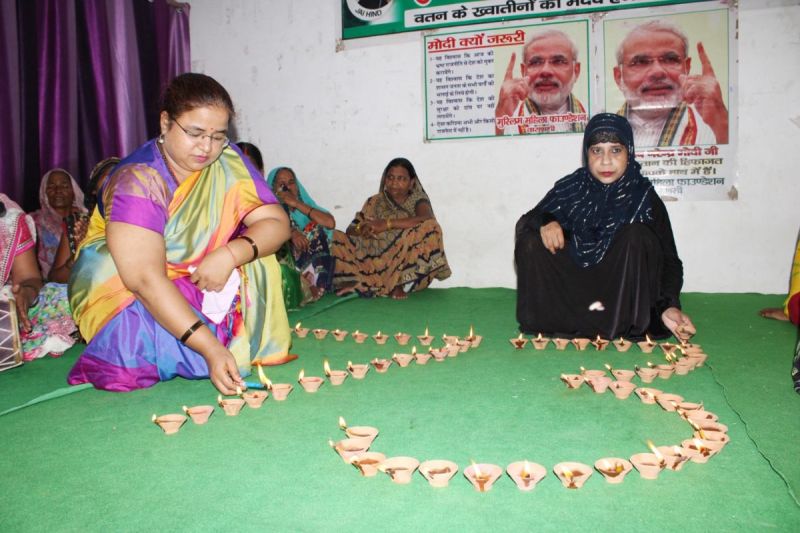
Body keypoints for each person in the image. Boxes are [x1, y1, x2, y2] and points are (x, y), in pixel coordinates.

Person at [67, 73, 293, 394]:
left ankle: (207, 341)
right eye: (196, 133)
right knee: (148, 350)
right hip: (129, 291)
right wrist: (211, 348)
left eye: (218, 136)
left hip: (196, 278)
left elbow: (277, 222)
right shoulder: (139, 179)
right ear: (165, 123)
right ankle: (199, 345)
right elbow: (144, 280)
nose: (207, 147)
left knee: (257, 257)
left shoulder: (226, 161)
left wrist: (228, 254)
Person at [515, 113, 695, 341]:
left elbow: (670, 260)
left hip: (623, 305)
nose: (606, 161)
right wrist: (546, 221)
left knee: (636, 235)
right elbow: (529, 218)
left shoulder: (643, 196)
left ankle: (620, 323)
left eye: (616, 150)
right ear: (586, 154)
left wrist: (669, 306)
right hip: (576, 296)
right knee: (531, 240)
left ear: (628, 152)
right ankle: (562, 322)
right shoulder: (571, 188)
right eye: (597, 150)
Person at [333, 157, 451, 300]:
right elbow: (351, 229)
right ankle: (360, 283)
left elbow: (426, 218)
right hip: (370, 262)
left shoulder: (417, 199)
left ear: (411, 182)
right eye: (390, 178)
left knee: (431, 228)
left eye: (401, 179)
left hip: (403, 265)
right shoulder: (374, 201)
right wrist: (362, 228)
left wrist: (386, 224)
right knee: (335, 237)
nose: (395, 183)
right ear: (385, 180)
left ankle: (398, 284)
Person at [613, 20, 728, 148]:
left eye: (670, 60)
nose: (657, 72)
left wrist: (721, 124)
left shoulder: (714, 128)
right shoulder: (597, 133)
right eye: (641, 62)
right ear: (619, 76)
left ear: (687, 67)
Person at [0, 194, 77, 360]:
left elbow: (29, 278)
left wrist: (24, 296)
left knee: (69, 298)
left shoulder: (9, 219)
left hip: (4, 310)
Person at [495, 29, 586, 136]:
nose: (545, 71)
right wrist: (501, 124)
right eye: (536, 62)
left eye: (558, 61)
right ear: (523, 71)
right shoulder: (509, 117)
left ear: (576, 70)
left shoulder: (592, 116)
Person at [266, 166, 336, 304]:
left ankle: (319, 283)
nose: (287, 187)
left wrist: (296, 203)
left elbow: (329, 223)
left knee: (316, 230)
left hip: (307, 254)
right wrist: (291, 232)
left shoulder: (303, 204)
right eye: (281, 184)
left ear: (297, 186)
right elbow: (268, 229)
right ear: (273, 188)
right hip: (285, 256)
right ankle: (306, 286)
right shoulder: (269, 208)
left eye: (291, 182)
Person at [49, 157, 120, 284]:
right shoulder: (77, 224)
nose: (114, 182)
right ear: (94, 190)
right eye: (108, 176)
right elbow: (55, 279)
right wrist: (80, 256)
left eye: (120, 176)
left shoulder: (143, 221)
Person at [31, 169, 86, 278]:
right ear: (44, 192)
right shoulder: (33, 222)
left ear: (74, 192)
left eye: (64, 186)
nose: (58, 190)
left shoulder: (85, 220)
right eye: (51, 187)